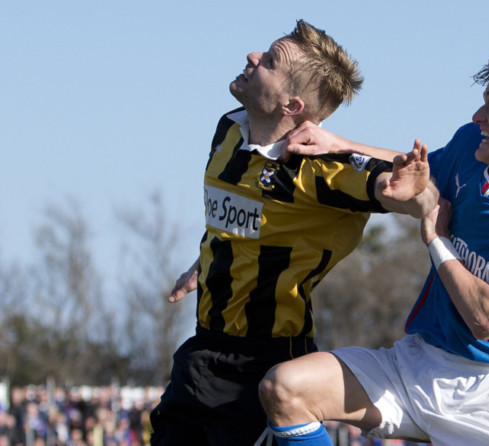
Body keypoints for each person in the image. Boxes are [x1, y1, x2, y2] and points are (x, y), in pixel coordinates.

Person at [257, 53, 489, 446]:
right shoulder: (471, 147)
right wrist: (337, 143)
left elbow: (487, 319)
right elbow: (417, 172)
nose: (477, 116)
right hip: (414, 364)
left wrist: (437, 240)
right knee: (284, 388)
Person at [149, 20, 437, 446]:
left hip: (265, 362)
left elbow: (409, 195)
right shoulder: (229, 128)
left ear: (291, 104)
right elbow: (245, 214)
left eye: (268, 61)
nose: (252, 57)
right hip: (201, 352)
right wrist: (209, 256)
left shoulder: (320, 169)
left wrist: (414, 194)